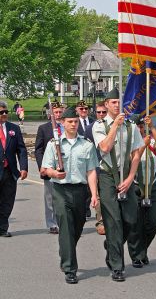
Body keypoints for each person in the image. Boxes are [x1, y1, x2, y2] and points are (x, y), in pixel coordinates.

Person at [41, 106, 98, 284]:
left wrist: (94, 194)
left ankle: (65, 250)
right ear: (62, 123)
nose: (73, 124)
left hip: (80, 191)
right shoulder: (53, 144)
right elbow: (45, 168)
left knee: (78, 226)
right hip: (60, 190)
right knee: (65, 227)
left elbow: (91, 171)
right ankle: (70, 269)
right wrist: (54, 174)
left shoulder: (87, 145)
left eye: (75, 121)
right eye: (70, 122)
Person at [92, 87, 144, 282]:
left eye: (118, 102)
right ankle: (117, 266)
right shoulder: (99, 126)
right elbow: (104, 147)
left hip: (127, 176)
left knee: (130, 220)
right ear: (106, 105)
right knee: (113, 222)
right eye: (113, 102)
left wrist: (131, 177)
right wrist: (114, 126)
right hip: (107, 176)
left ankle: (111, 247)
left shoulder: (130, 126)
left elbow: (137, 153)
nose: (116, 105)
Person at [127, 115, 156, 267]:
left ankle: (143, 249)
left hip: (152, 185)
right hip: (135, 186)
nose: (140, 129)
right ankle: (137, 255)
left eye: (142, 126)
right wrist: (142, 145)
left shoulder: (149, 141)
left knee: (154, 222)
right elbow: (132, 159)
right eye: (137, 126)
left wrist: (153, 127)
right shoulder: (128, 144)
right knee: (136, 224)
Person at [35, 101, 65, 234]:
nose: (58, 115)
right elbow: (38, 149)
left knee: (66, 197)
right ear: (51, 114)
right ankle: (52, 223)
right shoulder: (43, 128)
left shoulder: (69, 126)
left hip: (66, 167)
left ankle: (65, 222)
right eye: (55, 112)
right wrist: (43, 166)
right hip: (50, 168)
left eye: (60, 112)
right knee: (50, 198)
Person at [0, 100, 28, 237]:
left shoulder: (14, 129)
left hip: (10, 171)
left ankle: (3, 228)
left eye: (6, 111)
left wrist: (23, 167)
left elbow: (21, 149)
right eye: (1, 112)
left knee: (8, 200)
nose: (4, 114)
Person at [85, 100, 107, 235]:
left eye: (104, 112)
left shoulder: (114, 125)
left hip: (112, 166)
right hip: (96, 165)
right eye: (98, 112)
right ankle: (101, 221)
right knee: (98, 196)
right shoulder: (90, 128)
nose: (101, 114)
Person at [75, 100, 94, 219]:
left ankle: (86, 207)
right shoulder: (74, 122)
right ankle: (82, 208)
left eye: (86, 109)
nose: (84, 111)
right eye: (81, 109)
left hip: (91, 155)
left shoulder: (93, 122)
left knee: (90, 184)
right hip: (80, 155)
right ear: (77, 110)